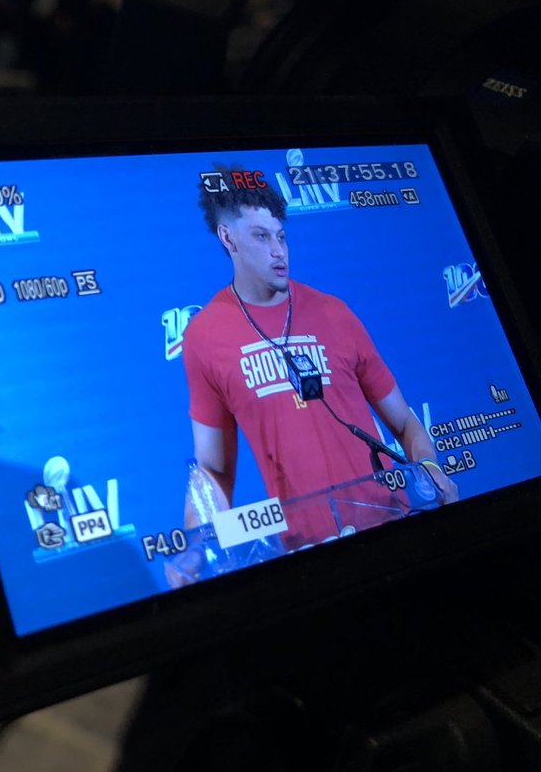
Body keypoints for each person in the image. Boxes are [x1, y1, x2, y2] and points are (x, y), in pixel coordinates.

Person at [180, 172, 457, 550]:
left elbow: (406, 422)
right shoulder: (205, 335)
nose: (278, 251)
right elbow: (213, 470)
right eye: (261, 237)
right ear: (228, 238)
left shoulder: (334, 312)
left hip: (394, 528)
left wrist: (431, 468)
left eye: (281, 237)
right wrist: (196, 547)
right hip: (308, 554)